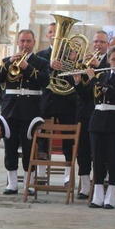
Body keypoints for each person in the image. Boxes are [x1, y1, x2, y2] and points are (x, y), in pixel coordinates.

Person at [74, 45, 115, 209]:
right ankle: (98, 195)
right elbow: (88, 96)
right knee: (98, 159)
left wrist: (93, 79)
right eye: (113, 59)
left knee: (113, 159)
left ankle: (111, 195)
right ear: (108, 60)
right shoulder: (104, 75)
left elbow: (114, 93)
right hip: (97, 121)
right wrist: (78, 83)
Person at [0, 29, 50, 194]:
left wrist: (27, 68)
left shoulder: (40, 62)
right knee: (10, 143)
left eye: (28, 41)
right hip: (10, 108)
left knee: (29, 146)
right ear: (17, 43)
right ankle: (12, 182)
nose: (25, 45)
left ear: (34, 43)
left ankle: (29, 182)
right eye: (22, 41)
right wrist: (7, 64)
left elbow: (44, 81)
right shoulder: (7, 61)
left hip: (31, 108)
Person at [73, 31, 111, 198]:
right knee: (82, 149)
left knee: (99, 150)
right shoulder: (83, 62)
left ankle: (99, 185)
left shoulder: (110, 63)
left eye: (102, 42)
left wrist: (96, 69)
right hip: (83, 112)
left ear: (107, 45)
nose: (98, 44)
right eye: (95, 41)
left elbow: (103, 88)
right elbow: (83, 93)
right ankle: (85, 185)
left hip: (101, 113)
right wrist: (77, 82)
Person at [38, 22, 77, 185]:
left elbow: (79, 77)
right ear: (47, 36)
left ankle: (68, 176)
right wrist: (49, 65)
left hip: (68, 101)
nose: (54, 34)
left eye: (57, 31)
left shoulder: (73, 54)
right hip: (48, 100)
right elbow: (38, 77)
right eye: (51, 32)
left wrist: (74, 62)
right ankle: (40, 174)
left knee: (68, 140)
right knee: (42, 139)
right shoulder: (41, 55)